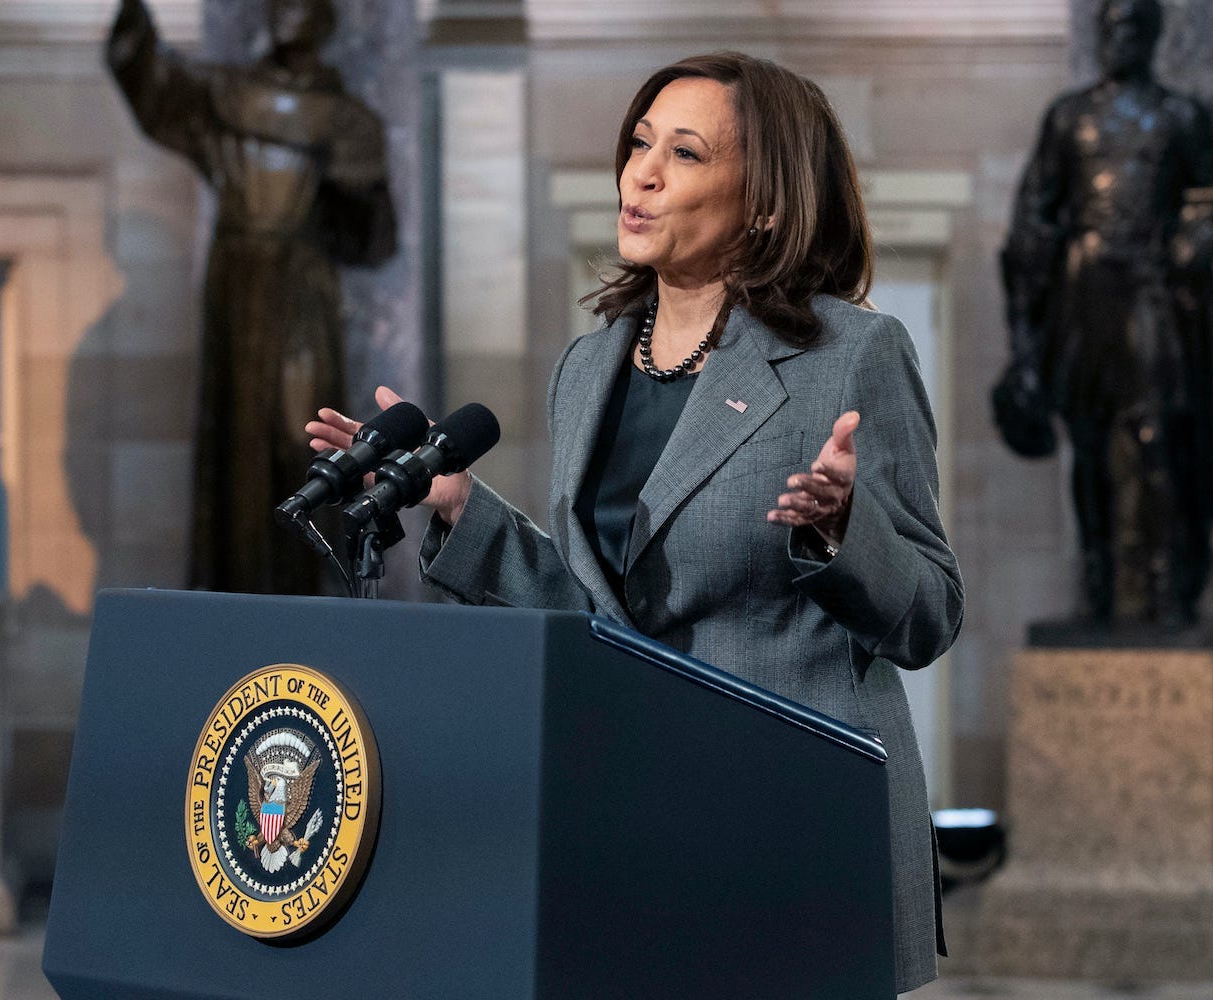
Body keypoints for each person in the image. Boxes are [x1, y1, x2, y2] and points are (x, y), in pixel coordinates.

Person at [309, 52, 962, 993]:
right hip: (639, 816)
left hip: (792, 832)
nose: (641, 173)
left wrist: (841, 531)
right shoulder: (589, 366)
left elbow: (931, 613)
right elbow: (601, 612)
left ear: (766, 200)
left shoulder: (851, 355)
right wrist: (456, 505)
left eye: (686, 153)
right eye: (639, 143)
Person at [993, 0, 1213, 628]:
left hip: (1152, 297)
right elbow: (1031, 229)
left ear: (1151, 36)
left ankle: (1166, 598)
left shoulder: (1179, 116)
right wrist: (1023, 346)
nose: (1120, 38)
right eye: (1111, 27)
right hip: (1085, 296)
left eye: (1132, 27)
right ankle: (1098, 596)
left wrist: (1210, 230)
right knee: (1090, 448)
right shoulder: (1069, 118)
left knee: (1158, 446)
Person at [108, 0, 396, 596]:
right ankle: (235, 592)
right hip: (237, 289)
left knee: (299, 437)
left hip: (300, 296)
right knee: (233, 446)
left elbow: (371, 238)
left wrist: (351, 193)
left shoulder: (347, 120)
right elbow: (148, 82)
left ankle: (306, 591)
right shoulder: (224, 94)